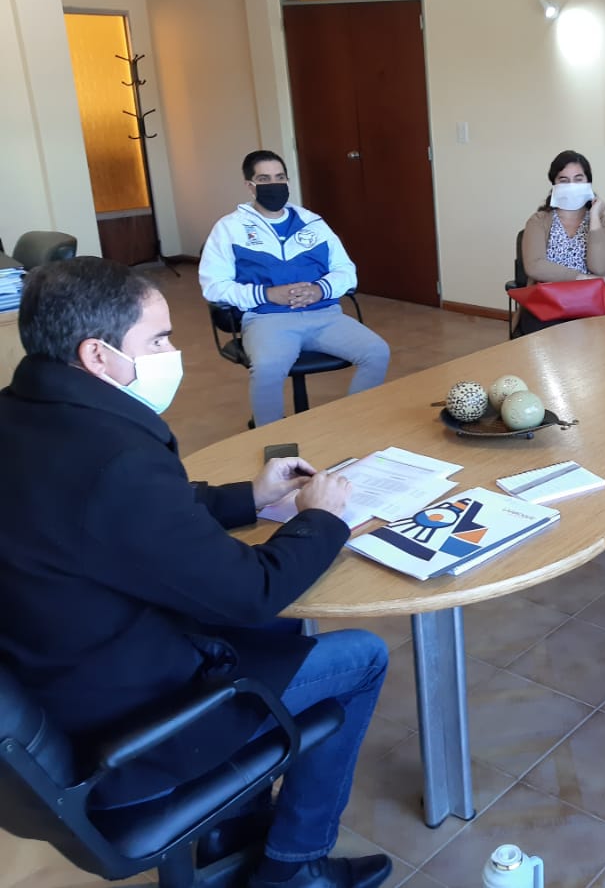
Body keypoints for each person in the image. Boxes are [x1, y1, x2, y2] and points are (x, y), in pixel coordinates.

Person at [0, 258, 391, 888]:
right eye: (158, 340)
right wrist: (320, 518)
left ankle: (228, 827)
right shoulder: (114, 459)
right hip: (132, 734)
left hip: (61, 679)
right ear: (97, 355)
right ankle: (296, 867)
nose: (172, 353)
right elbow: (253, 591)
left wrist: (249, 498)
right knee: (362, 656)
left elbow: (137, 518)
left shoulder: (26, 416)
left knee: (275, 637)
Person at [200, 150, 390, 427]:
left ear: (287, 181)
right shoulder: (230, 228)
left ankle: (353, 424)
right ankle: (271, 437)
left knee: (377, 351)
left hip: (324, 315)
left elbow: (346, 271)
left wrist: (320, 289)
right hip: (267, 319)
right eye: (264, 179)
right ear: (250, 185)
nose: (274, 184)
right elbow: (213, 286)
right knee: (267, 367)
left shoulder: (312, 222)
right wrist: (266, 294)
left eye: (280, 177)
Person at [515, 149, 605, 334]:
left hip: (593, 303)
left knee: (603, 337)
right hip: (547, 303)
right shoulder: (538, 221)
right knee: (546, 338)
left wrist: (594, 217)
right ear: (554, 184)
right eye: (564, 180)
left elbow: (600, 268)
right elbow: (534, 266)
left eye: (578, 179)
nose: (571, 186)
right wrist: (582, 278)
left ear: (588, 182)